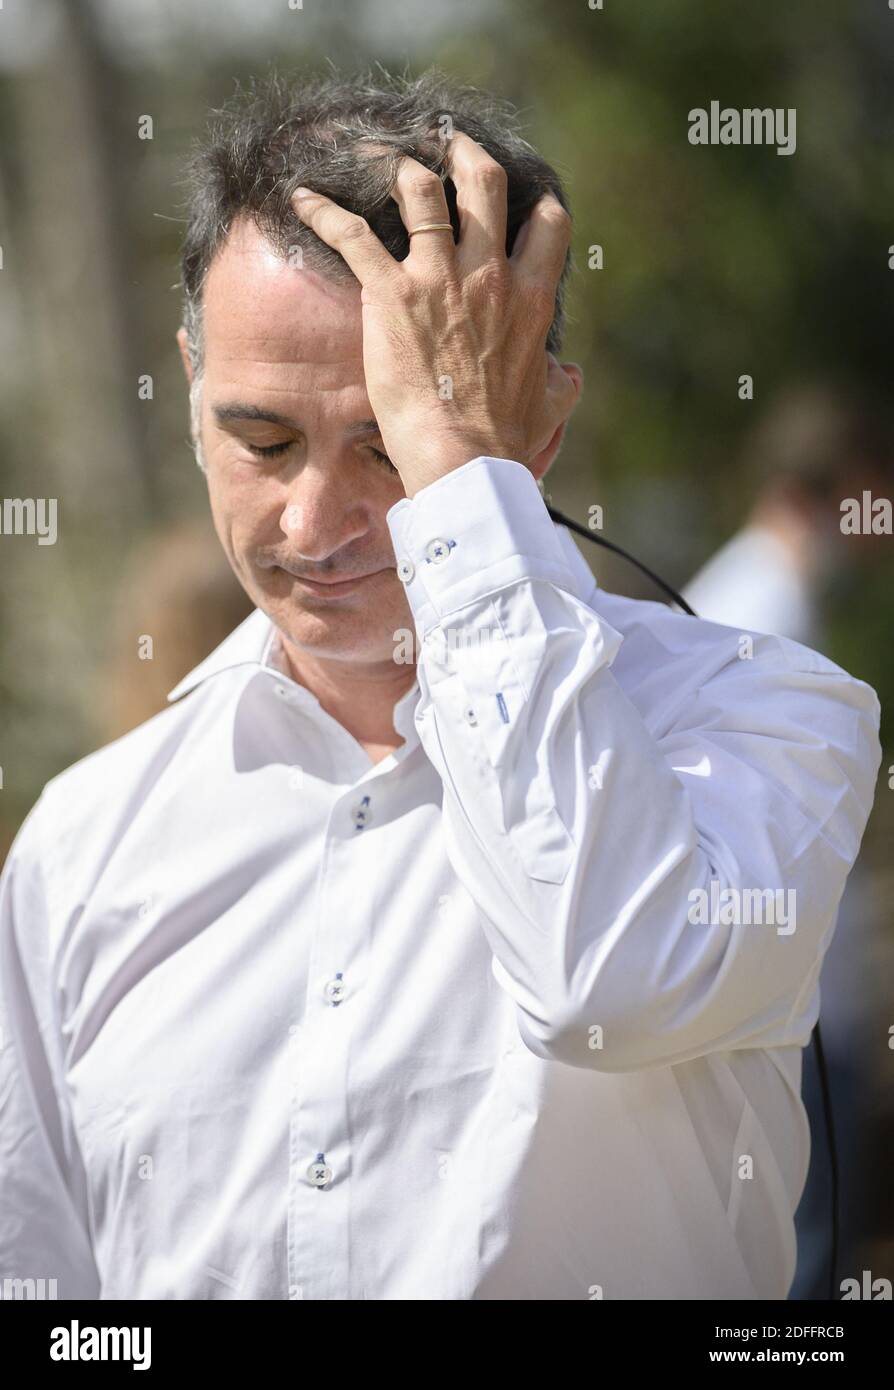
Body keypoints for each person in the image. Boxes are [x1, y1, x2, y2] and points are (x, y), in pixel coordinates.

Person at [0, 68, 882, 1301]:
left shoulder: (767, 716)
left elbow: (607, 982)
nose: (314, 521)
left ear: (543, 426)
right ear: (189, 386)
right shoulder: (81, 845)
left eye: (385, 443)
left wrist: (464, 467)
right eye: (261, 441)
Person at [683, 384, 892, 1299]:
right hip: (785, 1016)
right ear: (841, 485)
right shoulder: (768, 612)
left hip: (783, 1006)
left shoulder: (757, 594)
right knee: (797, 1272)